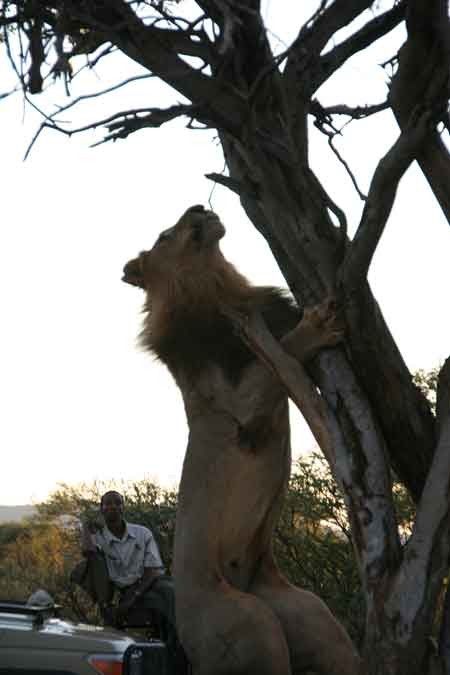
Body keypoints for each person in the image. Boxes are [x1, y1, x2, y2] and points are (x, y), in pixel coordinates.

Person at [73, 490, 173, 630]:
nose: (113, 506)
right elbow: (87, 551)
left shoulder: (142, 533)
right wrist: (86, 526)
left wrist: (134, 595)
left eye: (118, 503)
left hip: (149, 583)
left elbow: (154, 569)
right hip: (122, 589)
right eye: (108, 503)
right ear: (101, 509)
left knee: (171, 595)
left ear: (123, 508)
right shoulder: (98, 538)